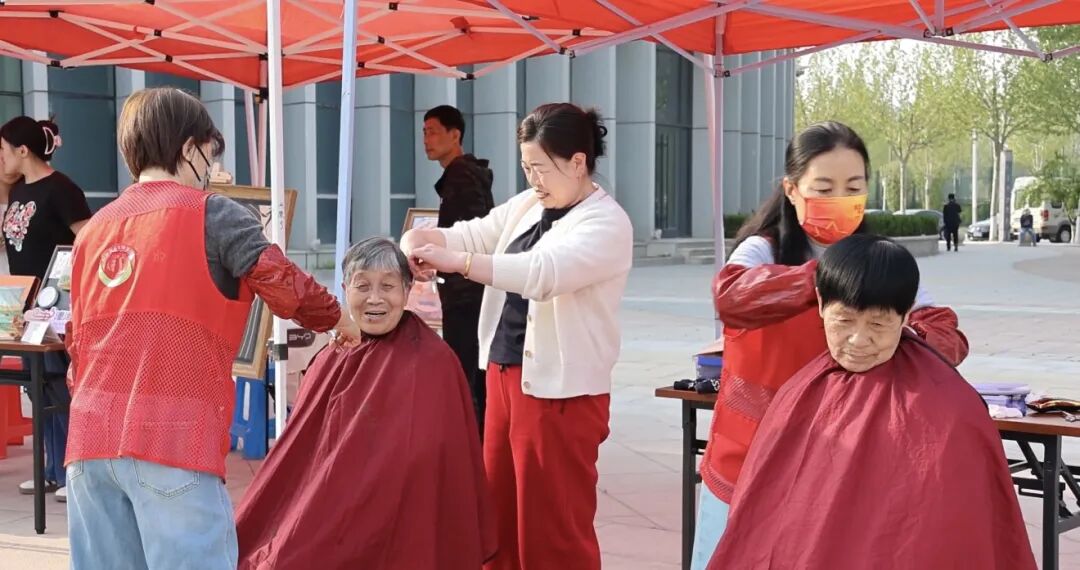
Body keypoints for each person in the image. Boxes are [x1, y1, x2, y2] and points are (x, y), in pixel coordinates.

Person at [63, 87, 362, 570]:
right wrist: (338, 318)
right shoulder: (212, 212)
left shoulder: (92, 230)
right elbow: (281, 281)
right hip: (174, 434)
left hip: (88, 438)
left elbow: (76, 339)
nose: (211, 165)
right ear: (189, 148)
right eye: (208, 151)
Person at [690, 121, 970, 568]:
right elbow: (732, 296)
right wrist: (828, 276)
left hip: (837, 465)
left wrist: (898, 333)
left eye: (853, 188)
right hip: (748, 458)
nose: (839, 199)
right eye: (824, 188)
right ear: (792, 190)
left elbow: (944, 332)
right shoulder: (762, 251)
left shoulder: (880, 260)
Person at [707, 235, 1036, 570]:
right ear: (820, 303)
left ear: (906, 316)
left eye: (878, 324)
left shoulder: (950, 409)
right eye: (844, 320)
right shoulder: (799, 391)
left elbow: (952, 537)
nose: (858, 340)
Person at [401, 102, 633, 569]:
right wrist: (419, 242)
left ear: (578, 162)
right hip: (505, 375)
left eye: (540, 168)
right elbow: (472, 233)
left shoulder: (607, 222)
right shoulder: (528, 205)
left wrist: (458, 263)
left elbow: (542, 273)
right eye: (526, 168)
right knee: (498, 516)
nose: (533, 180)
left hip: (562, 393)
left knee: (553, 529)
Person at [235, 237, 496, 569]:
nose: (375, 299)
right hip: (329, 506)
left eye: (388, 286)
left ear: (407, 290)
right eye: (362, 286)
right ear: (345, 290)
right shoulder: (331, 356)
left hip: (405, 512)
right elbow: (303, 455)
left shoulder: (434, 362)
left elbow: (437, 456)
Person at [0, 116, 91, 503]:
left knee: (59, 386)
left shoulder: (62, 189)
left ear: (23, 151)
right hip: (22, 308)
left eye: (4, 150)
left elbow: (88, 240)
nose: (1, 157)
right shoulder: (18, 190)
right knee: (37, 389)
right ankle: (51, 470)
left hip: (56, 309)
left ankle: (74, 471)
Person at [423, 104, 495, 437]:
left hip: (468, 294)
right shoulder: (462, 175)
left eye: (433, 131)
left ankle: (474, 444)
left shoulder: (462, 176)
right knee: (472, 371)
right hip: (468, 290)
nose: (427, 139)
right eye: (424, 132)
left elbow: (470, 235)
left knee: (468, 372)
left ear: (455, 135)